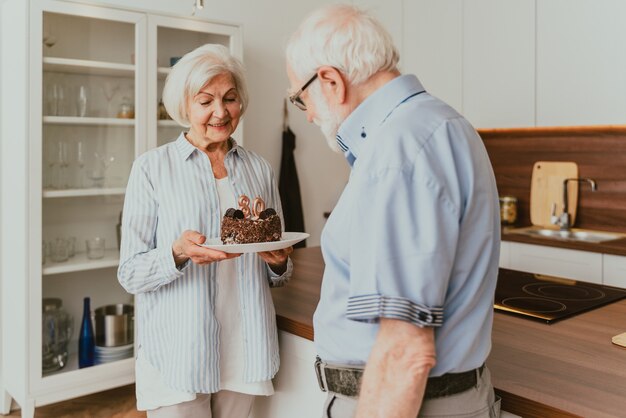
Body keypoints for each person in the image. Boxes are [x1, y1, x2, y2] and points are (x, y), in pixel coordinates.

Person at [286, 5, 501, 418]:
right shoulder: (439, 122)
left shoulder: (397, 151)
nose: (309, 113)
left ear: (330, 81)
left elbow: (404, 350)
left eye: (302, 98)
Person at [118, 44, 293, 418]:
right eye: (205, 101)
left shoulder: (259, 169)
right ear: (185, 105)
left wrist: (278, 264)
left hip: (245, 347)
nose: (221, 112)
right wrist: (177, 253)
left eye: (230, 99)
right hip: (180, 351)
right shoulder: (152, 169)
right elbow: (130, 272)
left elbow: (279, 271)